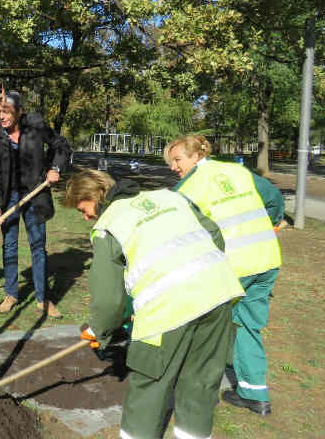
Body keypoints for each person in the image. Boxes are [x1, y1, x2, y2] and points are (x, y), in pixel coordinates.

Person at [64, 169, 244, 439]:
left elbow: (109, 301)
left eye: (83, 209)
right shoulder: (170, 197)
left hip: (167, 310)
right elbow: (214, 235)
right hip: (218, 294)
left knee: (150, 387)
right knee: (200, 381)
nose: (86, 217)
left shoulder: (108, 226)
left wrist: (100, 331)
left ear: (96, 195)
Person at [165, 134, 284, 416]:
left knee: (203, 326)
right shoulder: (237, 170)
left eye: (177, 159)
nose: (173, 167)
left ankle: (195, 390)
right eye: (171, 162)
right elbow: (274, 199)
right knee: (247, 325)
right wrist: (269, 225)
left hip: (233, 267)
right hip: (266, 259)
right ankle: (255, 394)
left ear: (196, 155)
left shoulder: (188, 187)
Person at [0, 89, 71, 318]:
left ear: (19, 112)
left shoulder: (36, 126)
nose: (2, 116)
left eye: (7, 111)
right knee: (9, 245)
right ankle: (11, 294)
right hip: (8, 195)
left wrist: (55, 168)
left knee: (38, 245)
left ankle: (43, 298)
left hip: (35, 193)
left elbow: (61, 145)